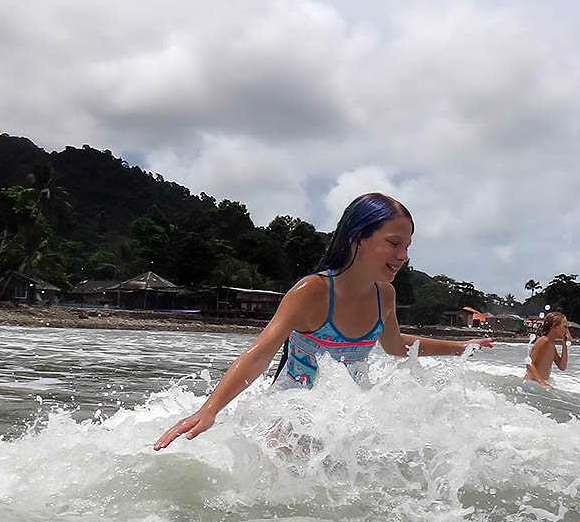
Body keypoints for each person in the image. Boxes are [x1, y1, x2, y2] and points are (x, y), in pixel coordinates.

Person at [154, 193, 493, 451]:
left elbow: (396, 345)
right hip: (289, 420)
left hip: (348, 417)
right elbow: (260, 352)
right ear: (358, 237)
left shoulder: (384, 295)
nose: (403, 256)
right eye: (393, 243)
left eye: (406, 246)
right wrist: (209, 410)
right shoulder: (313, 291)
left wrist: (459, 348)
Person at [524, 312, 572, 388]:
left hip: (542, 382)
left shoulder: (551, 344)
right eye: (565, 327)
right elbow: (529, 363)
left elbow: (562, 366)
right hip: (532, 383)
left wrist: (564, 344)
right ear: (555, 326)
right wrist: (542, 382)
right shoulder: (544, 341)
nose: (567, 331)